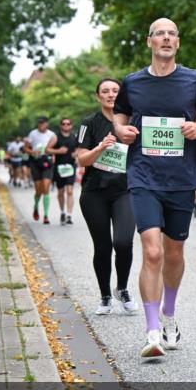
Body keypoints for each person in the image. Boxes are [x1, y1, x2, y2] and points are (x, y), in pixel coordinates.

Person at [113, 17, 196, 358]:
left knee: (174, 253)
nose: (167, 38)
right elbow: (120, 116)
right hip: (143, 176)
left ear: (178, 42)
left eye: (172, 33)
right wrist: (121, 131)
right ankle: (151, 331)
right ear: (149, 42)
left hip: (181, 178)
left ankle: (168, 315)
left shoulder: (194, 80)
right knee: (152, 251)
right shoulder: (133, 83)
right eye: (160, 33)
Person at [77, 78, 139, 316]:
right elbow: (82, 160)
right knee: (102, 247)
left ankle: (121, 288)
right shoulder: (89, 123)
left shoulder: (134, 120)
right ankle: (104, 295)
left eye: (115, 90)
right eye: (105, 91)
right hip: (95, 193)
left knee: (123, 242)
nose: (111, 94)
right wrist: (100, 147)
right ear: (98, 96)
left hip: (125, 190)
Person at [48, 117, 80, 225]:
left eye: (68, 123)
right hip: (59, 168)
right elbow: (47, 149)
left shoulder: (74, 137)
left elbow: (79, 150)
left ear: (71, 125)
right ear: (61, 125)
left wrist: (76, 154)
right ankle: (62, 212)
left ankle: (69, 215)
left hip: (71, 167)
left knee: (70, 191)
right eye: (64, 124)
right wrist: (58, 151)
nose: (66, 125)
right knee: (61, 192)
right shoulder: (55, 137)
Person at [25, 117, 57, 224]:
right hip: (35, 163)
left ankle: (46, 215)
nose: (41, 125)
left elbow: (55, 147)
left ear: (47, 124)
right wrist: (33, 152)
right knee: (39, 189)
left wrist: (53, 153)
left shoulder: (51, 135)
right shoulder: (32, 134)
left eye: (43, 123)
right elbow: (26, 148)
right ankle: (36, 206)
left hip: (47, 162)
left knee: (46, 187)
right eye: (39, 123)